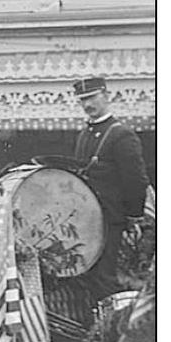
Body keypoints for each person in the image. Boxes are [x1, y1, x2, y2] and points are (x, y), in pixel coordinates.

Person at [71, 76, 148, 293]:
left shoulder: (121, 135)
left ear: (106, 96)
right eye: (82, 100)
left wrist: (133, 217)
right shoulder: (84, 135)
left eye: (92, 97)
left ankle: (110, 325)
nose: (87, 104)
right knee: (87, 277)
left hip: (110, 219)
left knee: (105, 278)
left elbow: (135, 180)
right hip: (87, 219)